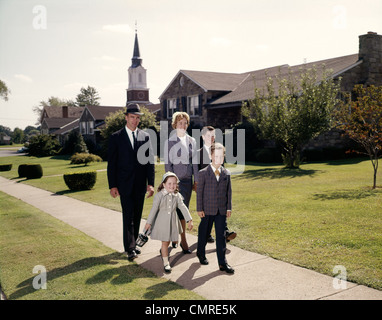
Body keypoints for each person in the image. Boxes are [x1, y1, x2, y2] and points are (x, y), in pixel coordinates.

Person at [107, 103, 155, 261]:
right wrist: (112, 185)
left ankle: (133, 244)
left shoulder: (145, 136)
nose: (135, 120)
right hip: (124, 184)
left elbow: (149, 162)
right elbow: (112, 164)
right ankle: (130, 248)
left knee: (137, 214)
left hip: (140, 184)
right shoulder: (116, 137)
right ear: (126, 117)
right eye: (132, 117)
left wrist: (151, 183)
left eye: (137, 118)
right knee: (128, 216)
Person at [197, 142, 234, 274]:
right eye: (216, 156)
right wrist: (199, 208)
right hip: (207, 209)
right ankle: (200, 253)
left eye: (221, 156)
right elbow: (199, 192)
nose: (219, 159)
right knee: (204, 233)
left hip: (221, 211)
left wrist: (228, 208)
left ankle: (222, 263)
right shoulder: (203, 173)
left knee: (221, 236)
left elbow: (228, 192)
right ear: (210, 156)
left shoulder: (226, 173)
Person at [144, 172, 193, 273]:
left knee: (171, 239)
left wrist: (189, 219)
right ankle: (166, 263)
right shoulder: (159, 196)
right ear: (163, 184)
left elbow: (183, 207)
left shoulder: (177, 195)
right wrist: (148, 223)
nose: (172, 186)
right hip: (162, 222)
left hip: (173, 221)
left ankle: (169, 246)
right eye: (169, 183)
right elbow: (153, 210)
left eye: (174, 183)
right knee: (165, 242)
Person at [164, 111, 198, 254]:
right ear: (174, 125)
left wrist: (196, 180)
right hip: (175, 183)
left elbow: (195, 162)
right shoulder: (169, 142)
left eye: (185, 123)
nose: (183, 126)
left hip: (187, 181)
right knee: (175, 212)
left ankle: (179, 238)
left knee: (184, 210)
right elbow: (168, 164)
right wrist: (170, 183)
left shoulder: (192, 141)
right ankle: (181, 240)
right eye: (180, 123)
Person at [197, 126, 237, 244]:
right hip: (205, 187)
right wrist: (196, 183)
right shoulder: (198, 153)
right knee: (206, 215)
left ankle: (225, 233)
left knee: (220, 211)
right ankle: (207, 234)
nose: (212, 138)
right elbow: (196, 169)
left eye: (213, 135)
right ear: (203, 137)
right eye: (209, 135)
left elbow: (221, 168)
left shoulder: (218, 149)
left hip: (218, 187)